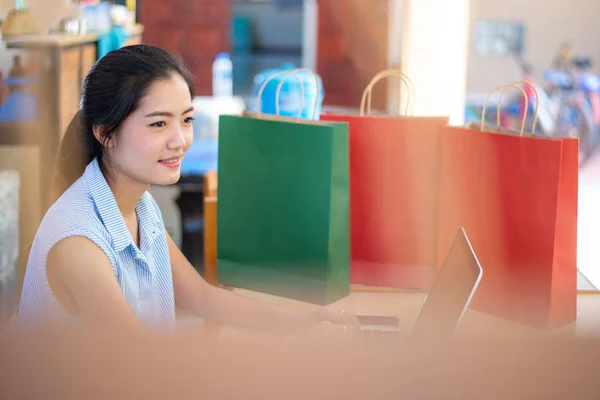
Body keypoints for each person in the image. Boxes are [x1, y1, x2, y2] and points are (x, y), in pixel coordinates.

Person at [18, 44, 358, 334]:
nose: (180, 140)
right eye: (159, 124)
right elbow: (136, 359)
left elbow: (202, 298)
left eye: (187, 119)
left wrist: (303, 323)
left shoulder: (139, 206)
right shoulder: (79, 240)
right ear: (105, 133)